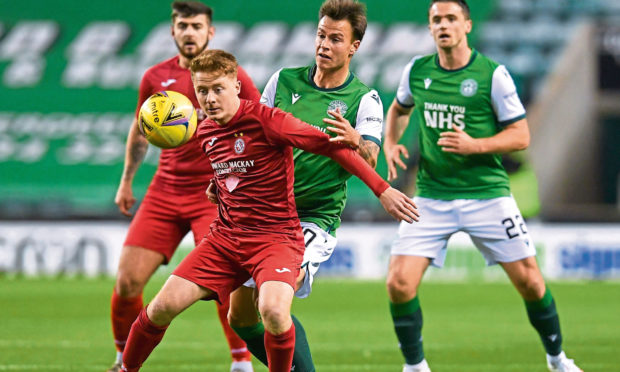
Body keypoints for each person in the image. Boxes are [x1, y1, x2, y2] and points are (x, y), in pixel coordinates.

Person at [119, 49, 419, 372]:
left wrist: (383, 190)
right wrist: (218, 186)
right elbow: (235, 169)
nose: (209, 99)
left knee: (274, 312)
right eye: (202, 90)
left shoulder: (268, 120)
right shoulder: (204, 130)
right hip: (225, 239)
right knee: (161, 307)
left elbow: (331, 147)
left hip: (275, 238)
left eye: (217, 88)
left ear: (236, 86)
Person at [383, 1, 583, 372]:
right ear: (429, 28)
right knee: (398, 282)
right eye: (436, 20)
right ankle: (414, 367)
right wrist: (390, 142)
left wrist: (476, 145)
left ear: (467, 25)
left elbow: (520, 135)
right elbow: (398, 109)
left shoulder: (493, 75)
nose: (443, 25)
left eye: (451, 19)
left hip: (487, 196)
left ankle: (558, 360)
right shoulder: (416, 71)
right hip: (431, 196)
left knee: (530, 282)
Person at [224, 1, 383, 370]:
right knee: (240, 319)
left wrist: (354, 140)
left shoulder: (364, 99)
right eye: (321, 35)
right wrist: (228, 176)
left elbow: (371, 158)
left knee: (274, 303)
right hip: (265, 211)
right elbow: (253, 137)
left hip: (313, 218)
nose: (324, 44)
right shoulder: (283, 81)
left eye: (336, 39)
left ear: (354, 47)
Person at [108, 2, 260, 372]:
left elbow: (259, 124)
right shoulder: (155, 77)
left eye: (196, 25)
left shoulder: (232, 75)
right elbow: (141, 129)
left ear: (211, 32)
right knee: (127, 282)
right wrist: (127, 180)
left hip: (214, 193)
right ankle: (122, 359)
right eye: (183, 25)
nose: (189, 32)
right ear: (172, 31)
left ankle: (241, 364)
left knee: (226, 281)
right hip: (164, 190)